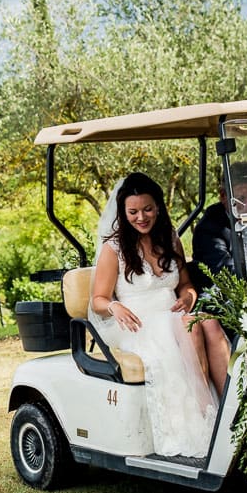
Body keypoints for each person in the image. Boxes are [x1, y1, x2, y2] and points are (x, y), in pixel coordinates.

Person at [89, 172, 218, 458]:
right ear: (123, 212)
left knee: (207, 323)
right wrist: (114, 306)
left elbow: (186, 286)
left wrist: (188, 297)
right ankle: (204, 417)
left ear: (158, 207)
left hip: (172, 316)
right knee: (191, 329)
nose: (141, 217)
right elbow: (98, 299)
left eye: (147, 209)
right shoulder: (114, 249)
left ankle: (221, 410)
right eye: (133, 211)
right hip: (137, 324)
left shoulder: (170, 240)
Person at [189, 161, 247, 393]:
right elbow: (225, 273)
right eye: (241, 199)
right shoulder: (211, 228)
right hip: (228, 299)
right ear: (224, 196)